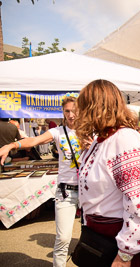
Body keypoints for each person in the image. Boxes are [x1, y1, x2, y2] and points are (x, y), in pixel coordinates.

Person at [75, 80, 140, 266]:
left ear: (95, 107)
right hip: (101, 238)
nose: (79, 113)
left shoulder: (125, 140)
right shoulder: (100, 141)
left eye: (82, 106)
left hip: (123, 244)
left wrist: (124, 255)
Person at [0, 95, 83, 267]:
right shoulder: (58, 132)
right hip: (66, 191)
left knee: (91, 237)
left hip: (89, 191)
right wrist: (12, 145)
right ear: (63, 112)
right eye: (67, 111)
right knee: (63, 238)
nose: (71, 115)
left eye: (74, 111)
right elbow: (35, 140)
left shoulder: (90, 132)